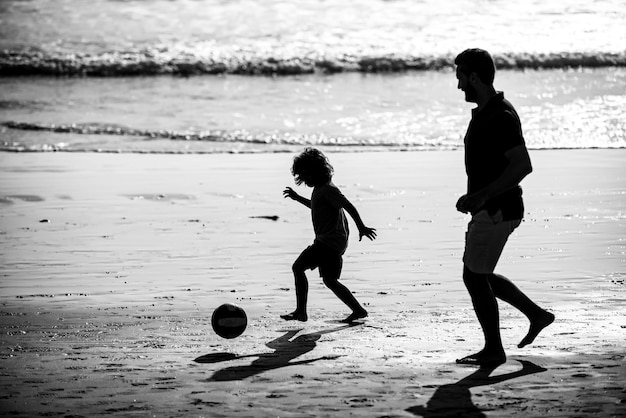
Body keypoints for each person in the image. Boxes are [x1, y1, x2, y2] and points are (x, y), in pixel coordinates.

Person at [454, 48, 554, 366]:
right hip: (492, 206)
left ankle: (494, 350)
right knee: (479, 274)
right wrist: (473, 196)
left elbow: (522, 165)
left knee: (474, 277)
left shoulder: (500, 115)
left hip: (498, 209)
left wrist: (482, 196)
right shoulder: (487, 112)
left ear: (474, 77)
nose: (458, 87)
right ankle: (536, 315)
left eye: (461, 78)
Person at [281, 148, 377, 323]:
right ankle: (358, 310)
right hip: (332, 243)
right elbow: (316, 206)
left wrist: (361, 227)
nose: (305, 180)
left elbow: (348, 205)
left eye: (307, 175)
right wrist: (297, 198)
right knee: (330, 280)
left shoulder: (328, 190)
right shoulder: (320, 189)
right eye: (302, 176)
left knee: (298, 268)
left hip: (328, 243)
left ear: (317, 171)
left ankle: (301, 312)